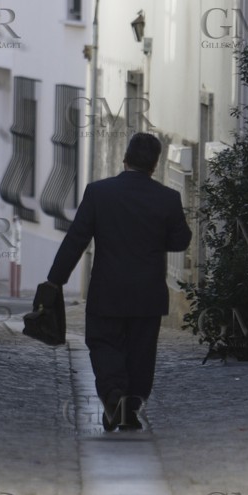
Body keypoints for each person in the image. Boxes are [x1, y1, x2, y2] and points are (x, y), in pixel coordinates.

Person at [46, 131, 192, 432]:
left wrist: (55, 280)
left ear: (125, 159)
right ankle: (129, 409)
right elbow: (181, 241)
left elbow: (77, 239)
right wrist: (154, 237)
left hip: (107, 290)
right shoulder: (168, 198)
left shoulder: (99, 193)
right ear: (155, 166)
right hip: (147, 293)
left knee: (103, 344)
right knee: (141, 353)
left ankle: (113, 393)